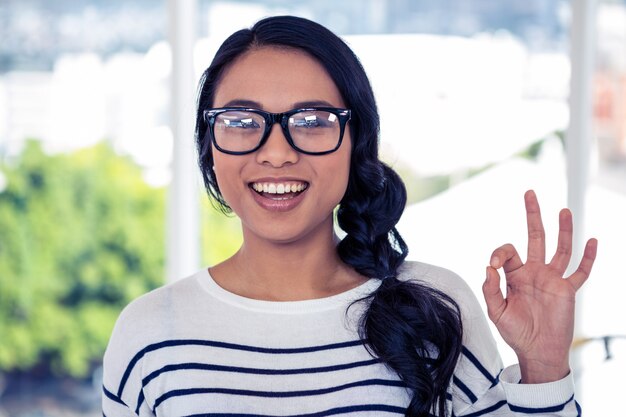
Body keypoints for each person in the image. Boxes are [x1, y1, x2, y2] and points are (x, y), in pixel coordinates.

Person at [102, 15, 598, 417]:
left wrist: (543, 365)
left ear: (356, 141)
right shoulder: (149, 333)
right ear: (210, 145)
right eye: (241, 121)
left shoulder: (435, 309)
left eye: (313, 122)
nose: (276, 153)